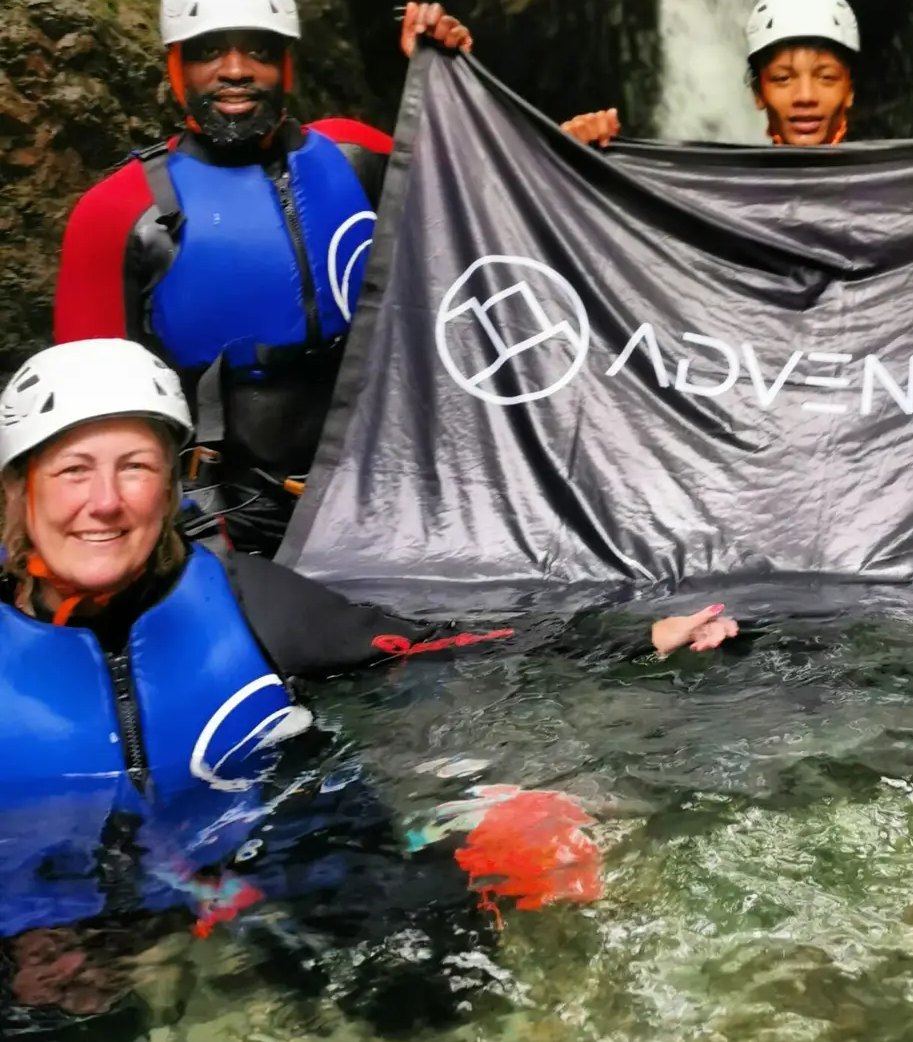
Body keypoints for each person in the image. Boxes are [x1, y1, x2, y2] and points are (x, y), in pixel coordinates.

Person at [0, 339, 738, 950]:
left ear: (170, 487)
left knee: (433, 969)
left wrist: (629, 637)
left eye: (136, 466)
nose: (104, 501)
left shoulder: (247, 601)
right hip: (54, 915)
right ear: (20, 488)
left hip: (264, 856)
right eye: (71, 470)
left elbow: (439, 646)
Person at [52, 0, 473, 554]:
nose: (235, 71)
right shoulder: (118, 214)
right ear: (175, 67)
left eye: (258, 50)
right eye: (207, 52)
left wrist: (451, 83)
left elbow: (490, 204)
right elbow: (80, 424)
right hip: (227, 519)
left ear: (288, 63)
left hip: (390, 486)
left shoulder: (355, 156)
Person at [561, 0, 913, 153]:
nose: (806, 96)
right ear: (758, 94)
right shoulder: (713, 198)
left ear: (850, 90)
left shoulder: (908, 192)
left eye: (826, 77)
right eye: (783, 78)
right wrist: (566, 157)